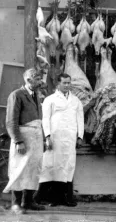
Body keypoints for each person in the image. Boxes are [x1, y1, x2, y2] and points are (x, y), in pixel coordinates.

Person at [34, 73, 84, 207]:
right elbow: (45, 119)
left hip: (70, 139)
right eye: (64, 83)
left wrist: (80, 136)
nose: (67, 85)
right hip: (55, 139)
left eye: (69, 83)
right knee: (51, 166)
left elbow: (80, 118)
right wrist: (47, 136)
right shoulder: (50, 100)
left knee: (68, 166)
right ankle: (48, 198)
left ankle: (66, 198)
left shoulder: (76, 100)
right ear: (58, 84)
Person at [3, 68, 45, 214]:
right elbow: (11, 121)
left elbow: (40, 121)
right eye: (38, 79)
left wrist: (44, 139)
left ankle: (28, 202)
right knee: (19, 169)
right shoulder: (17, 95)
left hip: (36, 138)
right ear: (28, 80)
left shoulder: (36, 96)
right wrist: (18, 141)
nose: (41, 82)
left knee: (33, 169)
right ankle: (16, 203)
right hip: (24, 138)